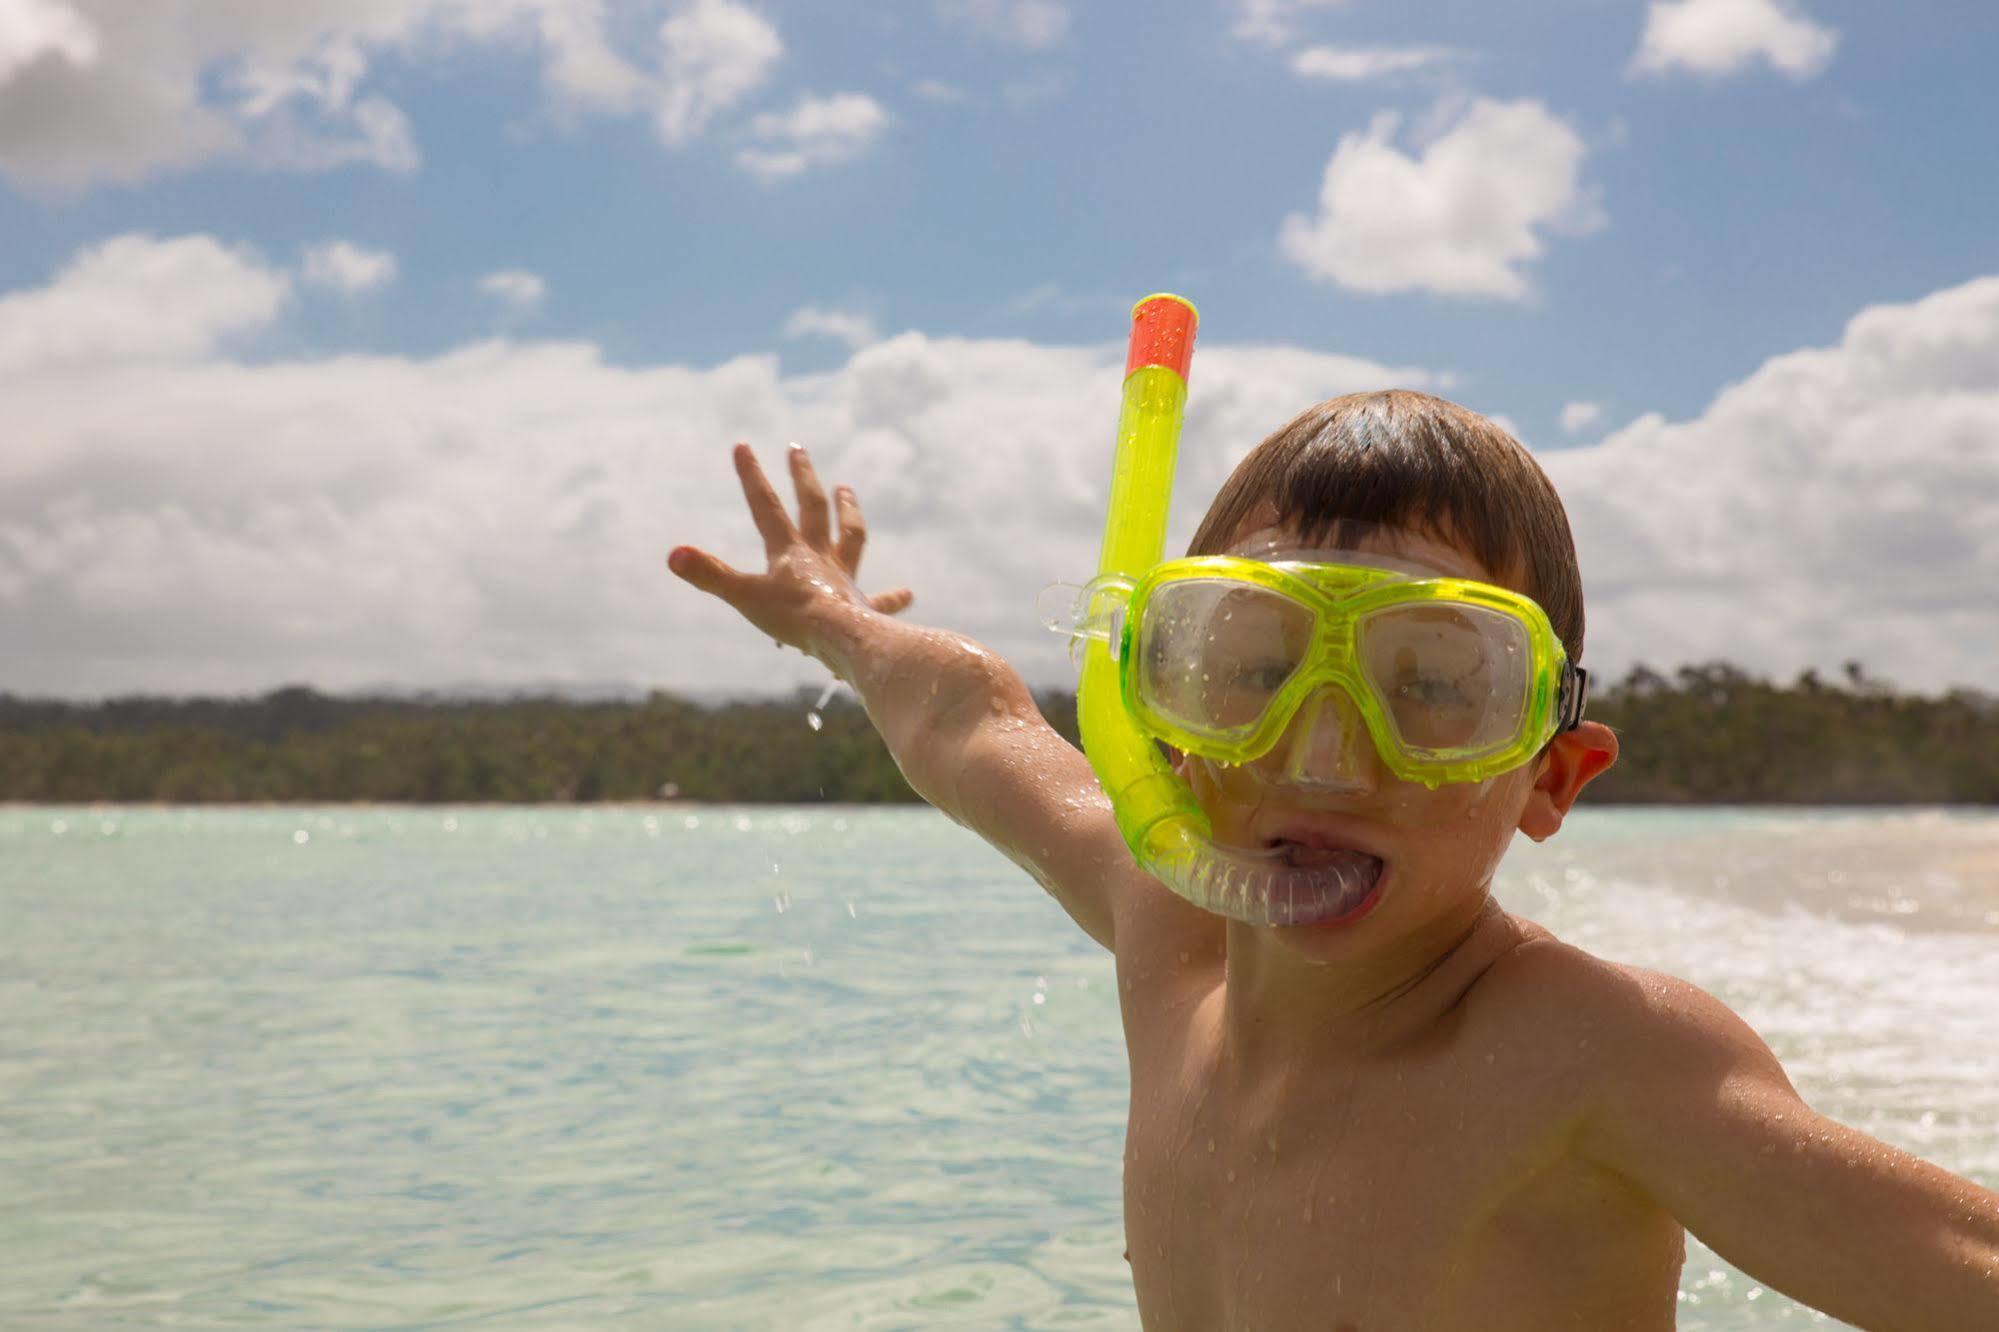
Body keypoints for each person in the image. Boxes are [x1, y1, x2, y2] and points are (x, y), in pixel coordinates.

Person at [668, 387, 1999, 1329]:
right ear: (1156, 719)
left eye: (1433, 688)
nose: (1320, 755)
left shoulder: (1589, 1059)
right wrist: (830, 620)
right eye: (1243, 670)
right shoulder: (1164, 924)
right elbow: (969, 719)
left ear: (1549, 777)